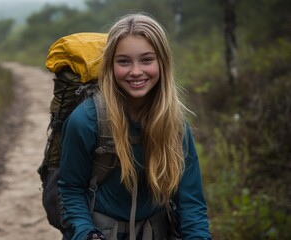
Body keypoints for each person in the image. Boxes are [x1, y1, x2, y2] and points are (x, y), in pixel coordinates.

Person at [57, 13, 211, 240]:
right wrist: (86, 233)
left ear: (162, 63)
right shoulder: (86, 120)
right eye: (124, 61)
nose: (136, 71)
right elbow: (71, 189)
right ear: (110, 65)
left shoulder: (174, 123)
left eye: (147, 60)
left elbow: (191, 202)